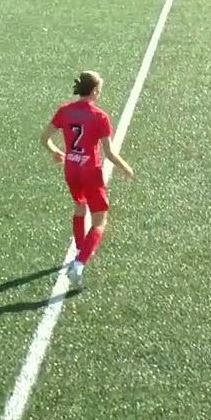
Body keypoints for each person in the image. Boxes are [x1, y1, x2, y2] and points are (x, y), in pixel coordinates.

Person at [42, 71, 134, 287]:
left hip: (71, 168)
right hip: (90, 171)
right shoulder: (100, 116)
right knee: (100, 220)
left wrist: (56, 151)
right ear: (94, 91)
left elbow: (44, 138)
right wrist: (126, 168)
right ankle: (80, 264)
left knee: (79, 207)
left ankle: (79, 253)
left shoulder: (65, 111)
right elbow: (109, 153)